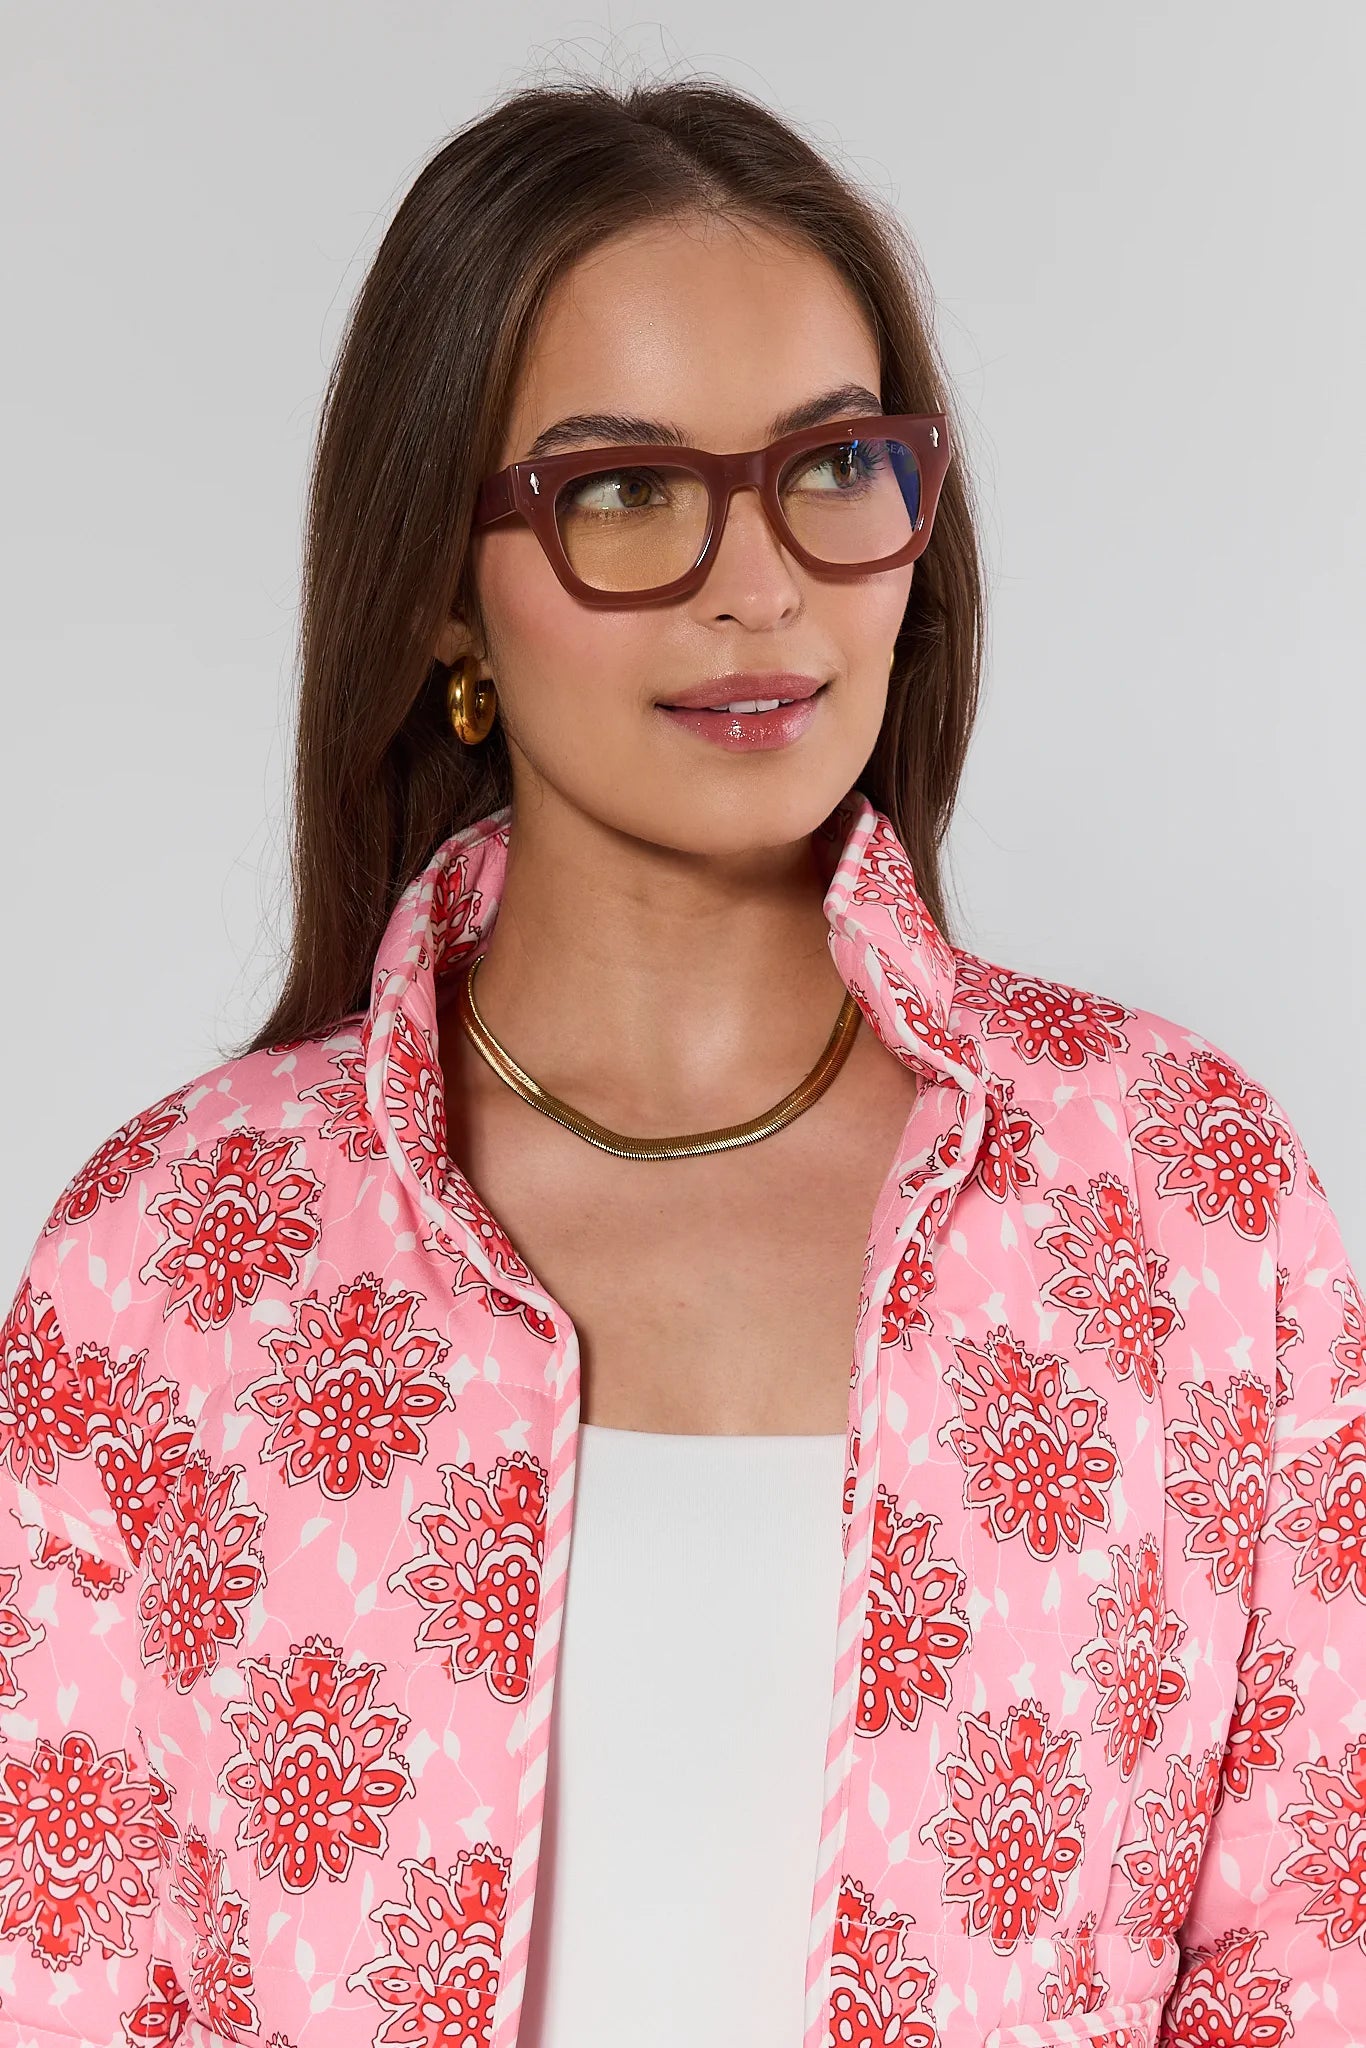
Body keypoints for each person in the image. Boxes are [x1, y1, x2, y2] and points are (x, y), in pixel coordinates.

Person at [0, 72, 1361, 2048]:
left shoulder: (1181, 1200)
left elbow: (1303, 1963)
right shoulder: (167, 1268)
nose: (758, 579)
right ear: (436, 589)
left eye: (831, 466)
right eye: (619, 489)